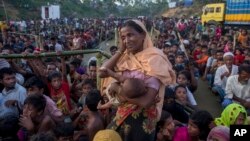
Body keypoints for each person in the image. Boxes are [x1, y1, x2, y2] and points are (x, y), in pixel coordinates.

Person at [99, 20, 175, 141]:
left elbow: (145, 101)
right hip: (121, 114)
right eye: (123, 37)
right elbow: (102, 72)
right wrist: (120, 50)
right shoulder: (126, 57)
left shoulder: (155, 59)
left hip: (141, 122)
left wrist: (118, 90)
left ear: (143, 35)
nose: (127, 40)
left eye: (130, 35)